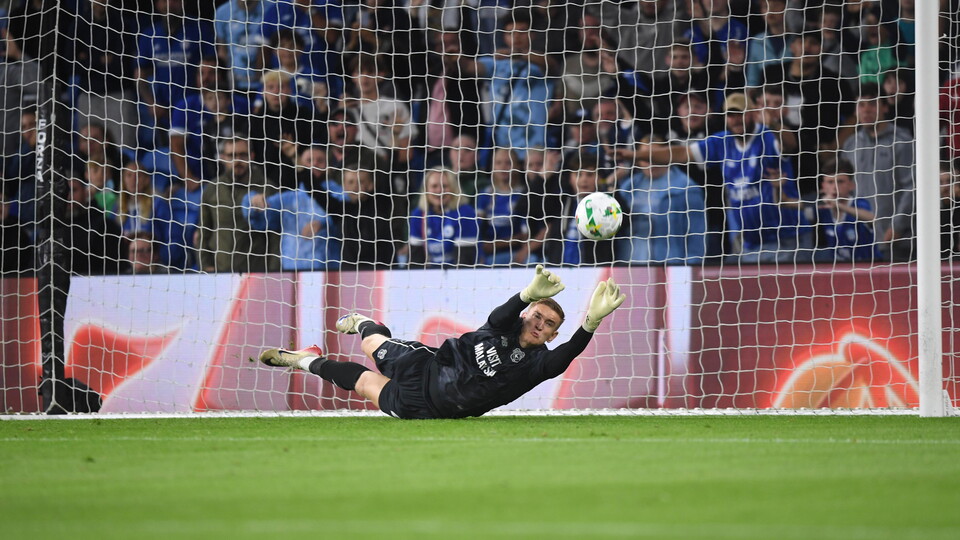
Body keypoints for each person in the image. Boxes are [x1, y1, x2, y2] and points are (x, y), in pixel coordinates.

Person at [257, 265, 626, 419]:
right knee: (370, 347)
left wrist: (590, 323)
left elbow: (562, 360)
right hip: (426, 365)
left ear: (552, 335)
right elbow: (500, 316)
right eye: (536, 316)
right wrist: (527, 294)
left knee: (364, 383)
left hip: (430, 411)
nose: (539, 325)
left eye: (548, 326)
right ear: (527, 316)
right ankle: (366, 323)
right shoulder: (505, 325)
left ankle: (301, 360)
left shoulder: (537, 364)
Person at [815, 156, 881, 263]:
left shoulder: (859, 204)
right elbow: (801, 207)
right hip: (838, 270)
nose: (835, 187)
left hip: (868, 268)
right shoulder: (822, 209)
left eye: (840, 182)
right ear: (823, 185)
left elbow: (872, 218)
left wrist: (839, 206)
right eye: (830, 182)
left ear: (851, 185)